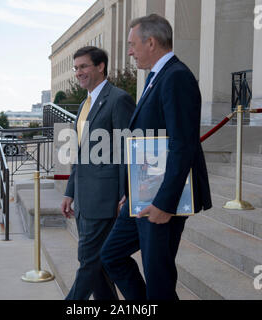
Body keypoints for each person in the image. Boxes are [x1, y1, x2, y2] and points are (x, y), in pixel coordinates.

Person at [100, 14, 212, 300]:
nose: (129, 52)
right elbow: (150, 140)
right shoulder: (156, 77)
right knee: (111, 255)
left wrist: (165, 203)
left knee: (159, 277)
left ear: (151, 42)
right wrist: (131, 190)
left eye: (132, 44)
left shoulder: (177, 77)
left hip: (163, 199)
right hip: (143, 194)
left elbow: (182, 145)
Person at [60, 46, 136, 300]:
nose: (78, 72)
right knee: (99, 265)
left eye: (83, 66)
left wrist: (126, 194)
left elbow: (128, 149)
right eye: (76, 68)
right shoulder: (85, 103)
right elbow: (81, 154)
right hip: (84, 199)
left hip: (105, 200)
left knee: (89, 263)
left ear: (100, 66)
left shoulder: (118, 99)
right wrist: (70, 192)